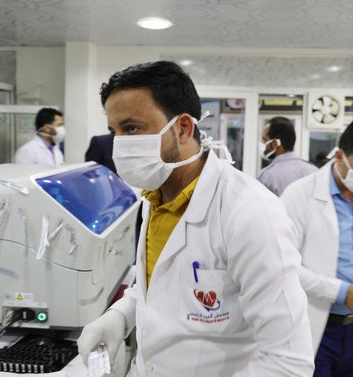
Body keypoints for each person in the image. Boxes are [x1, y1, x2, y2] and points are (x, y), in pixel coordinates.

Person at [77, 61, 314, 376]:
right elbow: (161, 285)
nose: (118, 145)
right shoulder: (154, 196)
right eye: (114, 131)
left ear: (183, 128)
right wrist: (120, 315)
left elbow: (289, 363)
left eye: (132, 128)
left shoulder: (250, 212)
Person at [281, 117, 353, 377]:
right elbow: (284, 268)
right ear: (339, 156)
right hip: (316, 324)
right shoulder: (299, 195)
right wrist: (342, 292)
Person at [258, 116, 318, 196]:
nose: (262, 143)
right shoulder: (314, 171)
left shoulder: (267, 176)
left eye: (264, 139)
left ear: (275, 143)